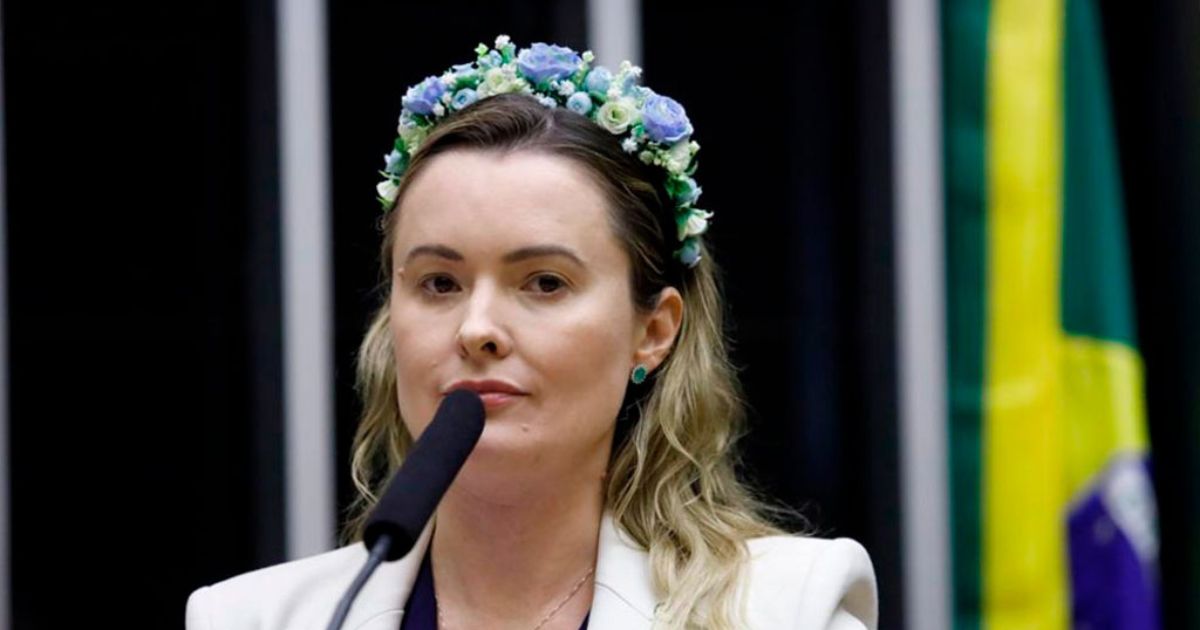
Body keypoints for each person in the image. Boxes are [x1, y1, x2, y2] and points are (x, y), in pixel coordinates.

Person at [186, 35, 877, 630]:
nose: (477, 329)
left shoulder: (785, 608)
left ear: (654, 330)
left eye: (544, 283)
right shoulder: (253, 618)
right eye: (439, 283)